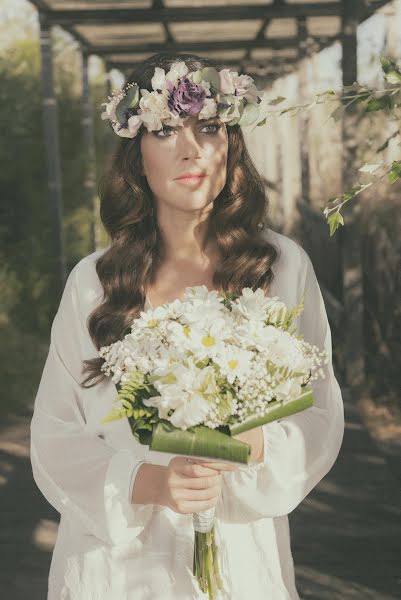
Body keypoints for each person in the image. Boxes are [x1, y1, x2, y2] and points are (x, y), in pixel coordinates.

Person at [30, 52, 345, 600]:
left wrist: (259, 445)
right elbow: (54, 434)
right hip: (116, 564)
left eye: (209, 127)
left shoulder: (281, 266)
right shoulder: (93, 282)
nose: (190, 149)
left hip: (239, 554)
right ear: (136, 154)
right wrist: (148, 482)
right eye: (164, 130)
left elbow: (321, 411)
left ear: (231, 142)